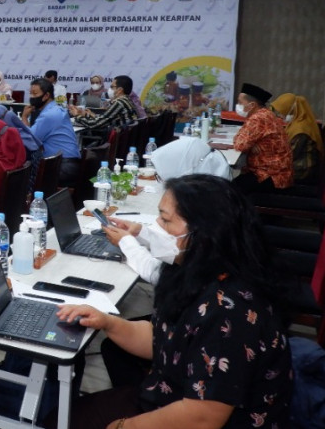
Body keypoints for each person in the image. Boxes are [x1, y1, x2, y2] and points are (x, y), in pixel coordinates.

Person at [57, 174, 292, 429]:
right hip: (172, 395)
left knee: (67, 420)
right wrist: (107, 322)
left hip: (205, 417)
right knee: (68, 415)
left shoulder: (228, 311)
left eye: (166, 220)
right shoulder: (194, 271)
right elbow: (163, 339)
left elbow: (202, 418)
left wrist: (124, 426)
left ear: (203, 231)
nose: (156, 227)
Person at [232, 83, 293, 195]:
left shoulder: (258, 118)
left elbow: (240, 145)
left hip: (270, 177)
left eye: (240, 102)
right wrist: (250, 144)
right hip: (273, 172)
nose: (238, 105)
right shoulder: (265, 114)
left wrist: (248, 144)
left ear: (252, 105)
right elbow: (240, 138)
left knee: (227, 188)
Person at [22, 78, 81, 185]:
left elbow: (30, 140)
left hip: (62, 167)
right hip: (69, 164)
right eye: (30, 93)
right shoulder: (56, 109)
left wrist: (24, 118)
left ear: (46, 95)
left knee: (22, 177)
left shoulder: (48, 115)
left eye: (35, 94)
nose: (31, 97)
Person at [270, 93, 322, 184]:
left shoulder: (300, 129)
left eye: (282, 113)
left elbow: (289, 155)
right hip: (298, 165)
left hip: (301, 171)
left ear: (291, 110)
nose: (280, 116)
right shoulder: (297, 123)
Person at [69, 75, 137, 132]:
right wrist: (89, 115)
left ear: (120, 90)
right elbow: (106, 119)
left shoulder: (119, 103)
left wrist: (77, 116)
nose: (110, 89)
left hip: (112, 139)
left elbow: (95, 124)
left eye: (112, 87)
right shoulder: (127, 100)